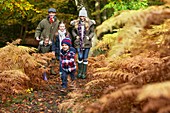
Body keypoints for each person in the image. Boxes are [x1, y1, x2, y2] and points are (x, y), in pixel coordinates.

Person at [70, 7, 96, 79]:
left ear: (86, 16)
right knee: (80, 57)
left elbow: (92, 32)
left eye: (83, 16)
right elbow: (73, 31)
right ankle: (79, 72)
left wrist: (89, 37)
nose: (82, 17)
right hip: (78, 43)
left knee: (85, 58)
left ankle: (84, 73)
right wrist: (76, 36)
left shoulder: (90, 23)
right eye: (81, 16)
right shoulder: (76, 23)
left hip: (87, 42)